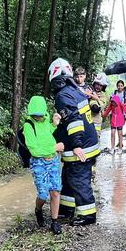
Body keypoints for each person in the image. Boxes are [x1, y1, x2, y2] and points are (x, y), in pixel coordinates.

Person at [48, 58, 101, 226]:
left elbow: (73, 120)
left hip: (81, 147)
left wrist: (77, 145)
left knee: (79, 179)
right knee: (69, 177)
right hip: (86, 142)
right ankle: (67, 208)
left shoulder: (63, 95)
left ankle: (88, 215)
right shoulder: (75, 90)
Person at [23, 95, 65, 235]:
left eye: (40, 115)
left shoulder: (45, 119)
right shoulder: (28, 126)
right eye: (36, 115)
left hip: (52, 160)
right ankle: (38, 209)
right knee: (43, 194)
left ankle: (54, 222)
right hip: (38, 162)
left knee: (55, 190)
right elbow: (34, 149)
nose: (39, 118)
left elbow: (47, 134)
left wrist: (54, 124)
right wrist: (55, 148)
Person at [102, 87, 126, 154]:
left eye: (114, 102)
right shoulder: (111, 105)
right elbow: (106, 112)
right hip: (113, 121)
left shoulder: (121, 104)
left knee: (120, 134)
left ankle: (120, 148)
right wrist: (103, 115)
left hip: (120, 121)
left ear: (117, 101)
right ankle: (112, 148)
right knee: (112, 133)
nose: (113, 104)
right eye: (112, 102)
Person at [90, 73, 108, 138]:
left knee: (96, 139)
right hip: (88, 121)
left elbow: (101, 106)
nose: (98, 86)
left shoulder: (103, 95)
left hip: (96, 122)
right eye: (97, 84)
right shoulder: (89, 92)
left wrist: (96, 98)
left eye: (100, 85)